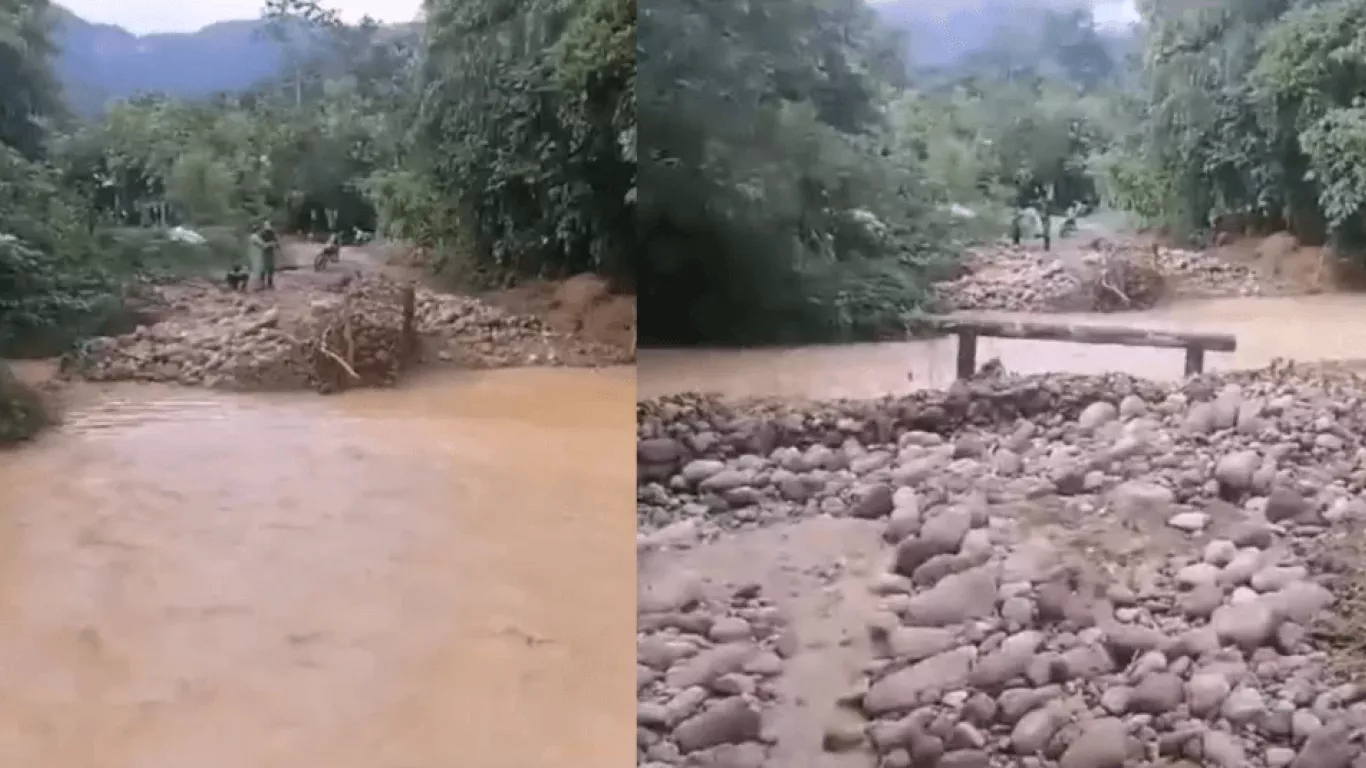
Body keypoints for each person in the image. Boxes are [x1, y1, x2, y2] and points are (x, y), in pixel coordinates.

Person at [249, 222, 279, 290]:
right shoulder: (255, 237)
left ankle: (265, 284)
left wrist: (273, 243)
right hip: (262, 254)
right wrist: (272, 244)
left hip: (264, 254)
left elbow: (268, 244)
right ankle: (262, 284)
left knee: (268, 268)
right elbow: (264, 246)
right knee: (265, 269)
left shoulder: (256, 236)